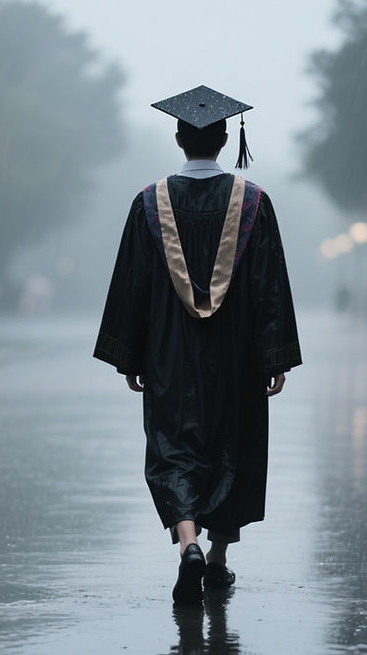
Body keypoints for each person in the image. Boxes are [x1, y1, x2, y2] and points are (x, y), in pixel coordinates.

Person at [94, 85, 302, 605]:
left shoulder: (150, 203)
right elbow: (269, 285)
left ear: (179, 138)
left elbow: (132, 282)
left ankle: (186, 542)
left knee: (175, 448)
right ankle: (216, 560)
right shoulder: (254, 203)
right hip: (235, 354)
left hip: (170, 351)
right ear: (227, 137)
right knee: (231, 445)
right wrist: (275, 357)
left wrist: (131, 355)